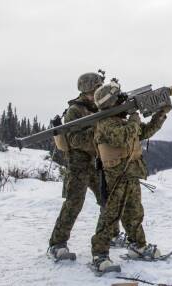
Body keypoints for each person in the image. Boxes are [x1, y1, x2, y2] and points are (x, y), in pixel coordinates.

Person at [90, 81, 171, 272]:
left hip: (130, 173)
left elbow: (145, 131)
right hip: (116, 176)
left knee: (134, 212)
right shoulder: (105, 123)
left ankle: (138, 245)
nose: (122, 100)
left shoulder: (121, 122)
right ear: (111, 102)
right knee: (110, 215)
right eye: (119, 98)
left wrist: (161, 113)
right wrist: (135, 116)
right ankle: (99, 254)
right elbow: (123, 137)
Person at [48, 72, 123, 260]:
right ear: (86, 90)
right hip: (79, 164)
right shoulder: (75, 111)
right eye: (95, 88)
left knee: (107, 199)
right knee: (74, 202)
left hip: (96, 161)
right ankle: (57, 244)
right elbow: (74, 139)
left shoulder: (99, 105)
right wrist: (98, 132)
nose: (97, 91)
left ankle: (112, 234)